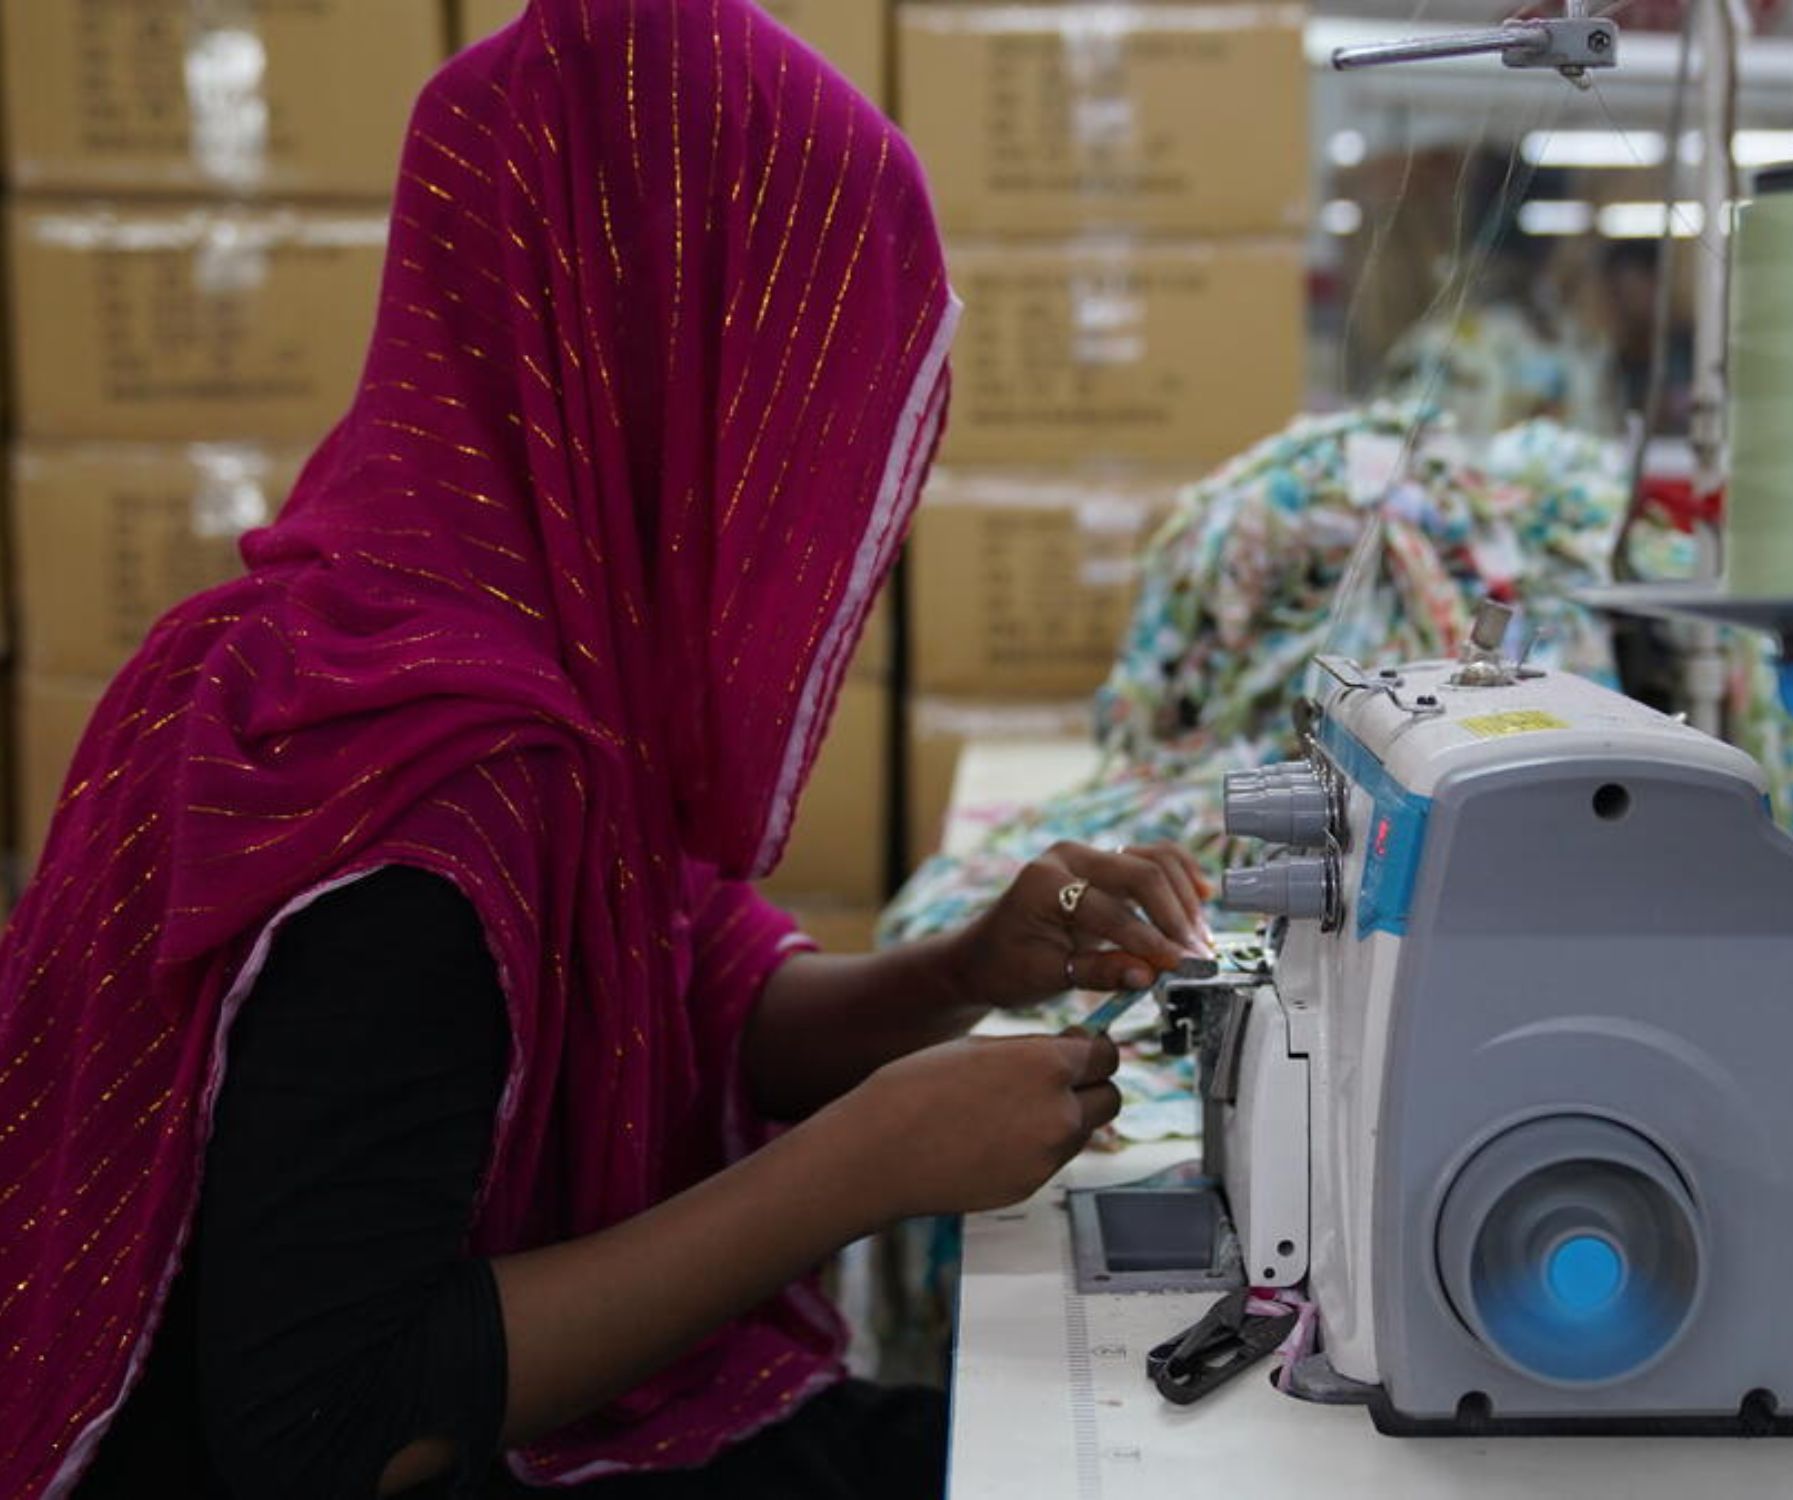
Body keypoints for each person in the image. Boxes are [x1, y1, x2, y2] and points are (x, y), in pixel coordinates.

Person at [0, 2, 1213, 1495]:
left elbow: (690, 996)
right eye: (803, 410)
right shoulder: (419, 789)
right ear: (671, 371)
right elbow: (327, 1424)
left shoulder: (471, 648)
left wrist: (962, 973)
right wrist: (856, 1172)